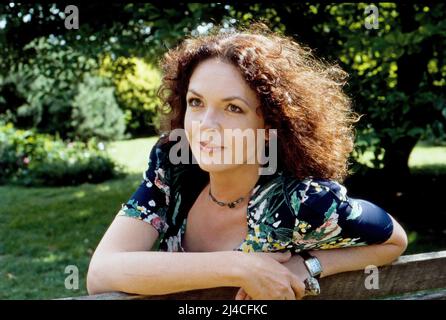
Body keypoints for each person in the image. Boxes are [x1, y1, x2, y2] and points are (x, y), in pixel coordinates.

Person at [87, 23, 408, 300]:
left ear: (271, 124)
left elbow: (393, 239)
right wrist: (241, 266)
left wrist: (308, 264)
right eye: (196, 102)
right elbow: (101, 272)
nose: (205, 125)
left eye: (233, 108)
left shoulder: (302, 200)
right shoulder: (173, 168)